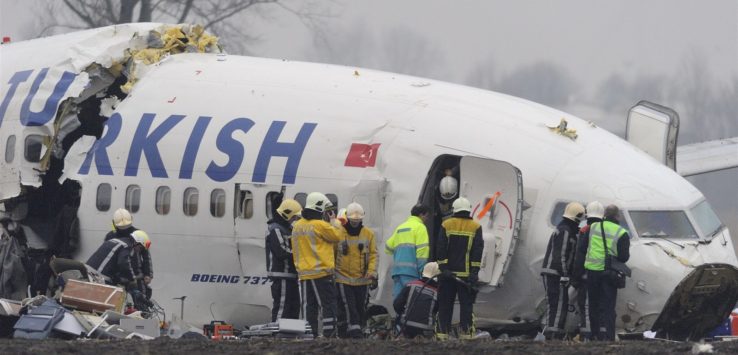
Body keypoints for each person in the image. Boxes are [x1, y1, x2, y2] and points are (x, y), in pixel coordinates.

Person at [292, 192, 343, 337]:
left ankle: (310, 334)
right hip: (322, 272)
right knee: (328, 305)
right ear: (319, 207)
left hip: (304, 273)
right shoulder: (321, 225)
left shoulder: (297, 226)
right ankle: (330, 334)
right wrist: (335, 222)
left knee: (309, 307)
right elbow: (337, 236)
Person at [436, 197, 483, 340]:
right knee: (466, 308)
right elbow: (477, 252)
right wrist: (474, 273)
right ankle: (466, 336)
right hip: (466, 277)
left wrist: (444, 268)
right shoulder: (476, 226)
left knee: (445, 306)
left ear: (454, 210)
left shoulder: (446, 224)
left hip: (448, 275)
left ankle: (442, 336)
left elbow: (441, 248)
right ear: (468, 210)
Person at [585, 204, 630, 341]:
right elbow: (623, 257)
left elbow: (583, 247)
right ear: (617, 216)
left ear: (604, 215)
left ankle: (594, 334)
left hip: (592, 271)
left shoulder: (592, 227)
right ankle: (608, 336)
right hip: (609, 273)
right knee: (608, 306)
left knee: (593, 304)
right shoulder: (621, 232)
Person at [540, 202, 585, 340]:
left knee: (557, 302)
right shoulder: (566, 231)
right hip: (556, 273)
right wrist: (565, 274)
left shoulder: (563, 228)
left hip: (553, 272)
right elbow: (561, 254)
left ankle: (553, 331)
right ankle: (553, 334)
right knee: (558, 304)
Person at [334, 202, 377, 338]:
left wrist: (372, 271)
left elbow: (373, 254)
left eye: (358, 220)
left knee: (360, 307)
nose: (355, 223)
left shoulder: (368, 234)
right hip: (343, 278)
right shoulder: (338, 233)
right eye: (353, 220)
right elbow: (331, 253)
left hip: (363, 280)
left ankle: (359, 329)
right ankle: (355, 333)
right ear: (347, 218)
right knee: (349, 307)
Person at [572, 201, 604, 340]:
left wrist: (575, 276)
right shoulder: (606, 230)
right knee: (601, 306)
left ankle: (587, 336)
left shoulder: (585, 231)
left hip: (587, 275)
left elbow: (580, 254)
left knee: (585, 306)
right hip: (603, 275)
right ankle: (601, 334)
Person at [265, 199, 302, 322]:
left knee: (294, 307)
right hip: (282, 275)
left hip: (291, 276)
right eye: (294, 217)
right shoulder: (275, 229)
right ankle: (278, 332)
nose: (295, 220)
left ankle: (289, 334)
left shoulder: (287, 229)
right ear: (287, 214)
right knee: (282, 306)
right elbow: (281, 251)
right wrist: (301, 255)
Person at [385, 204, 430, 299]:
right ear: (422, 215)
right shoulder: (420, 227)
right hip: (411, 272)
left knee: (398, 301)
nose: (427, 219)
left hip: (397, 272)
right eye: (427, 216)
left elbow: (388, 247)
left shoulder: (400, 227)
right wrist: (422, 272)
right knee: (411, 301)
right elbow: (422, 252)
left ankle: (398, 315)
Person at [87, 208, 136, 288]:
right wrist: (133, 278)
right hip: (103, 277)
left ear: (114, 223)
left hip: (91, 272)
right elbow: (123, 263)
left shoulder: (110, 236)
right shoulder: (132, 239)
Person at [393, 261, 440, 339]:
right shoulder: (438, 292)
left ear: (423, 273)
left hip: (406, 326)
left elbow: (397, 304)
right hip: (426, 329)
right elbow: (436, 311)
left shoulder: (410, 285)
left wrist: (404, 313)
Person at [130, 229, 153, 310]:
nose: (139, 249)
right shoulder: (125, 245)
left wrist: (148, 274)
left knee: (142, 298)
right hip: (126, 277)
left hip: (138, 276)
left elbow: (147, 257)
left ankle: (143, 314)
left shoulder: (140, 237)